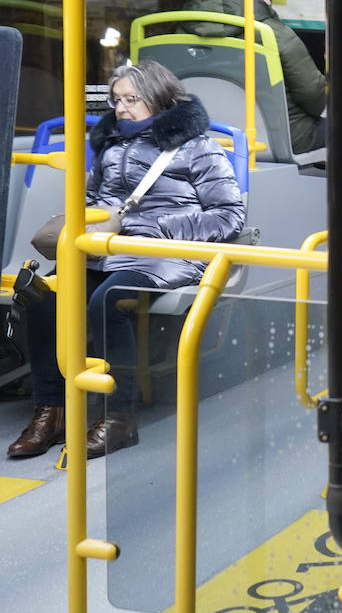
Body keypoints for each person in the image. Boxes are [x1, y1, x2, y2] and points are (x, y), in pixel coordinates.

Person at [7, 62, 246, 459]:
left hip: (164, 253)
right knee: (44, 296)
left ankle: (120, 417)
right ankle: (52, 410)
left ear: (159, 97)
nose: (120, 108)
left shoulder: (199, 147)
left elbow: (229, 216)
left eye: (131, 99)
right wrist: (90, 224)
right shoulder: (112, 145)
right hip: (107, 248)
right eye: (116, 100)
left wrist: (156, 228)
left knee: (110, 301)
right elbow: (94, 200)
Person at [185, 0, 328, 154]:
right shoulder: (273, 34)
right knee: (340, 134)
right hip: (272, 136)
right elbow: (313, 96)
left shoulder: (182, 29)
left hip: (204, 132)